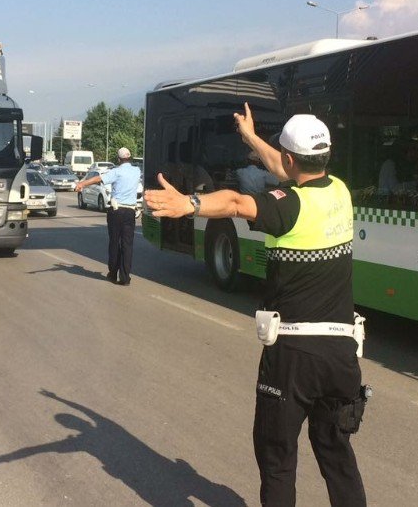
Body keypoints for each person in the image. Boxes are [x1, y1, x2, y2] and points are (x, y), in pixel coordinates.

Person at [144, 105, 366, 506]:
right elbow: (284, 168)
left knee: (277, 458)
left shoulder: (287, 206)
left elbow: (233, 202)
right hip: (342, 355)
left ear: (291, 158)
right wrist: (249, 135)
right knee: (336, 454)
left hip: (294, 357)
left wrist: (189, 205)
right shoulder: (340, 192)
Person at [74, 147, 142, 286]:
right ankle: (125, 277)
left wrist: (81, 183)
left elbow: (98, 178)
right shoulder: (137, 171)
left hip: (116, 211)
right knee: (127, 245)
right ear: (130, 158)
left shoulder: (116, 172)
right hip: (130, 212)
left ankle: (112, 274)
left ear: (118, 159)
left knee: (114, 243)